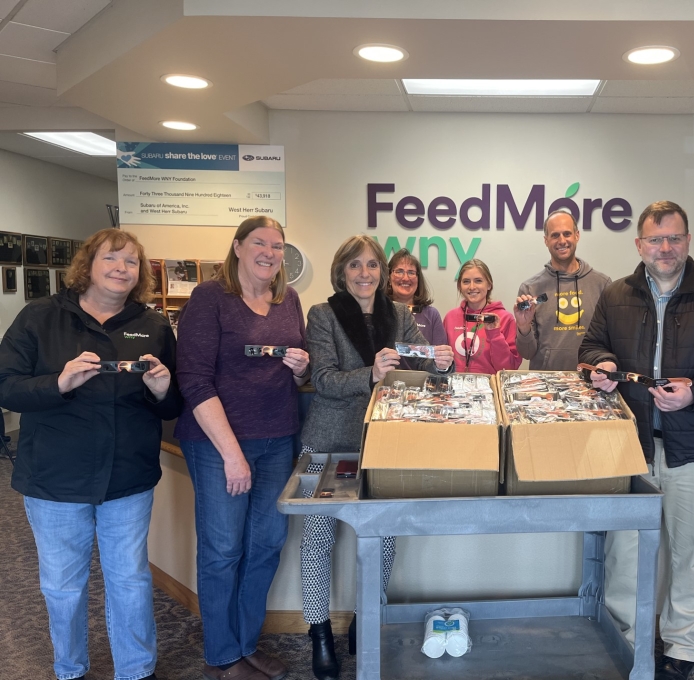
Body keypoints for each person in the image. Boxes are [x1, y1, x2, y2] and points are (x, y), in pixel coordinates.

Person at [579, 200, 694, 680]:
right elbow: (591, 346)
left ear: (688, 241)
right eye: (655, 239)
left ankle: (682, 647)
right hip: (629, 446)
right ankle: (625, 641)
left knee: (691, 553)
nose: (665, 248)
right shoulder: (615, 294)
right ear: (639, 244)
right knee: (624, 554)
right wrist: (602, 364)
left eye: (674, 238)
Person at [0, 228, 180, 680]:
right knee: (63, 586)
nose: (122, 268)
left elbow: (172, 405)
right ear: (88, 265)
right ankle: (69, 669)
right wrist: (58, 383)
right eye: (111, 258)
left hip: (127, 476)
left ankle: (136, 670)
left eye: (131, 261)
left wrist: (162, 390)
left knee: (130, 580)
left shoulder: (153, 325)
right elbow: (6, 386)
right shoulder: (39, 317)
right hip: (54, 477)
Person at [299, 235, 454, 680]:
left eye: (371, 265)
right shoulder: (323, 314)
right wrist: (370, 373)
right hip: (328, 442)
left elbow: (421, 365)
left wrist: (440, 362)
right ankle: (319, 633)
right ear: (341, 272)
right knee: (318, 539)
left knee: (383, 539)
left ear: (381, 272)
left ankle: (364, 618)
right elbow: (322, 379)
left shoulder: (399, 314)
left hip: (385, 441)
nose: (364, 273)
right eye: (355, 265)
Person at [175, 216, 310, 680]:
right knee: (223, 550)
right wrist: (232, 454)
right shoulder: (210, 298)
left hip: (277, 439)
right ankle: (222, 656)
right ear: (237, 247)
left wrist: (300, 368)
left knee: (267, 545)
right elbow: (194, 380)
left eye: (277, 245)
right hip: (218, 445)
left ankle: (247, 643)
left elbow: (298, 372)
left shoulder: (288, 299)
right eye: (259, 243)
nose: (269, 253)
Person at [514, 209, 611, 369]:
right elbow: (527, 353)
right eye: (555, 235)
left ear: (577, 235)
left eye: (567, 234)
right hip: (546, 382)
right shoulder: (530, 288)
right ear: (546, 240)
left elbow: (610, 343)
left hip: (590, 380)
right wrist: (523, 327)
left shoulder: (602, 284)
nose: (562, 240)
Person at [444, 258, 522, 374]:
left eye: (478, 281)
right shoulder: (450, 317)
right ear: (460, 286)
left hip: (491, 384)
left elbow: (508, 369)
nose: (472, 287)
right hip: (455, 384)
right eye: (466, 281)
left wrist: (495, 334)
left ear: (489, 285)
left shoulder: (505, 319)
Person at [386, 248, 446, 368]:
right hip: (385, 379)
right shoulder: (378, 310)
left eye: (411, 272)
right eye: (399, 271)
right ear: (389, 277)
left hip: (423, 378)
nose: (405, 278)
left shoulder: (431, 315)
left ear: (418, 278)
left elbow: (439, 360)